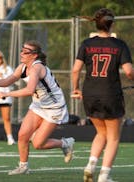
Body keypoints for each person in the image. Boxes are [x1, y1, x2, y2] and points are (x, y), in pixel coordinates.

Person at [0, 40, 75, 175]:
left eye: (25, 52)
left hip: (54, 108)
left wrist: (7, 93)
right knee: (22, 135)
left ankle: (65, 143)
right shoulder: (22, 67)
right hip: (39, 105)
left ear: (34, 56)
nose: (21, 53)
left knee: (38, 144)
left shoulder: (36, 68)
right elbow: (7, 81)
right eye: (22, 50)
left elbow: (29, 90)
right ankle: (23, 167)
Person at [71, 8, 134, 182]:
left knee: (101, 133)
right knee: (113, 137)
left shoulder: (86, 44)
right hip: (110, 95)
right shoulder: (119, 45)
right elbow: (129, 72)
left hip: (89, 94)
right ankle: (104, 176)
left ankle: (90, 166)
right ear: (111, 24)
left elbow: (75, 70)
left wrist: (76, 88)